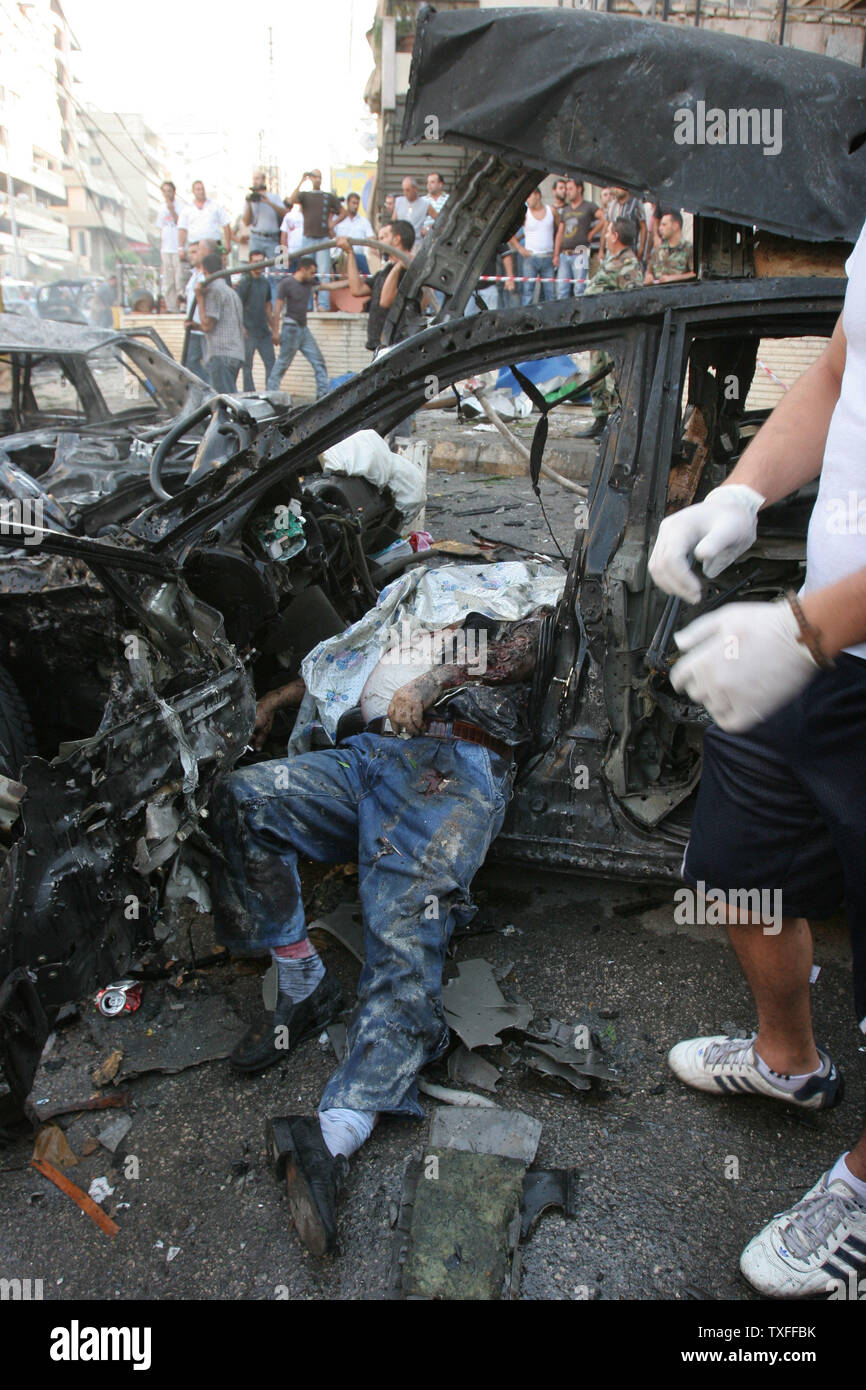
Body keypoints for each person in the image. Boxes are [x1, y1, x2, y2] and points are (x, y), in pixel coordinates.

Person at [646, 216, 866, 1300]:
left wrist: (801, 629)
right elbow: (837, 365)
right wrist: (738, 493)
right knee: (738, 861)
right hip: (824, 644)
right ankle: (788, 1059)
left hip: (821, 633)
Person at [209, 575, 555, 1254]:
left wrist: (427, 687)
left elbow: (527, 644)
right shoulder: (398, 612)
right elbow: (338, 668)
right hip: (364, 756)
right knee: (244, 797)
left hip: (451, 765)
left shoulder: (498, 614)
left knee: (402, 924)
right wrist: (275, 699)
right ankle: (305, 985)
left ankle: (336, 1134)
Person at [577, 218, 644, 439]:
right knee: (596, 376)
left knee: (615, 380)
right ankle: (600, 420)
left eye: (608, 233)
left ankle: (615, 427)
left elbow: (633, 301)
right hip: (600, 331)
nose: (605, 236)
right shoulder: (612, 260)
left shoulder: (629, 264)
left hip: (616, 334)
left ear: (615, 236)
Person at [337, 219, 421, 354]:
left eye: (383, 237)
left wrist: (399, 265)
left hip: (398, 345)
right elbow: (356, 290)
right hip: (380, 346)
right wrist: (350, 253)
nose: (378, 242)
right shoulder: (385, 272)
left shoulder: (410, 271)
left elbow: (386, 301)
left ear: (396, 239)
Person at [266, 257, 328, 398]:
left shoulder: (308, 283)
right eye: (312, 272)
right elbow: (278, 309)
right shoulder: (286, 284)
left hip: (303, 328)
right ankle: (270, 395)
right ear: (303, 269)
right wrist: (275, 331)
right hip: (291, 328)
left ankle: (323, 395)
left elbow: (327, 286)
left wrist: (350, 281)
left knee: (318, 361)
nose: (313, 276)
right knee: (282, 364)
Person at [286, 170, 341, 312]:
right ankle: (307, 305)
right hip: (308, 238)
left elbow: (343, 212)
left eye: (319, 177)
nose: (317, 179)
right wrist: (301, 180)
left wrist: (332, 224)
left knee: (323, 273)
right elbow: (291, 200)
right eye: (315, 177)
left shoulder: (327, 197)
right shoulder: (305, 195)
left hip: (323, 239)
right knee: (305, 272)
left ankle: (323, 305)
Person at [194, 251, 245, 394]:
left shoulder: (213, 291)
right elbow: (222, 323)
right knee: (228, 397)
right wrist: (195, 326)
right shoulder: (231, 292)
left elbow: (207, 325)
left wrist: (199, 298)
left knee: (222, 404)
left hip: (221, 354)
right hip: (235, 354)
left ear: (205, 271)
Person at [553, 177, 603, 300]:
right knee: (561, 289)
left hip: (580, 252)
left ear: (579, 189)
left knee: (579, 289)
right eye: (566, 189)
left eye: (570, 189)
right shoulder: (566, 210)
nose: (567, 192)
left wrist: (592, 233)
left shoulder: (588, 206)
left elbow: (604, 217)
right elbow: (560, 232)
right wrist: (556, 254)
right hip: (565, 254)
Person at [510, 188, 557, 306]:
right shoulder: (525, 214)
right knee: (527, 292)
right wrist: (520, 248)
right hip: (530, 258)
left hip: (548, 257)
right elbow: (510, 233)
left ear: (538, 195)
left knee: (550, 292)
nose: (527, 200)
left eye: (529, 196)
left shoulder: (551, 211)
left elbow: (560, 227)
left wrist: (556, 251)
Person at [236, 250, 274, 391]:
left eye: (261, 261)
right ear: (250, 263)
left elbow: (268, 307)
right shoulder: (245, 282)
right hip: (249, 331)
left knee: (271, 363)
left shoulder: (265, 282)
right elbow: (237, 305)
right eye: (256, 262)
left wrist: (275, 330)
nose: (259, 265)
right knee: (247, 366)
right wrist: (241, 327)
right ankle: (249, 394)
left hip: (263, 331)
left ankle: (271, 393)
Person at [183, 240, 215, 384]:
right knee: (190, 363)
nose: (192, 256)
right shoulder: (193, 275)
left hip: (205, 328)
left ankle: (213, 393)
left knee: (210, 365)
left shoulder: (207, 276)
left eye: (195, 252)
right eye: (190, 253)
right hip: (193, 328)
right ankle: (206, 388)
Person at [179, 183, 231, 262]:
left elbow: (226, 224)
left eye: (202, 189)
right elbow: (182, 229)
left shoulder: (215, 206)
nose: (201, 192)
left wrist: (227, 243)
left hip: (215, 244)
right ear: (193, 191)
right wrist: (181, 248)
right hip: (195, 246)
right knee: (198, 271)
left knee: (217, 269)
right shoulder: (187, 209)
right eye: (198, 189)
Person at [156, 180, 186, 311]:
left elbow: (181, 223)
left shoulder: (181, 206)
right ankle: (171, 307)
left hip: (177, 247)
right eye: (165, 191)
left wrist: (171, 209)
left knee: (180, 277)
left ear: (174, 192)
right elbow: (160, 227)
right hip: (166, 248)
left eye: (169, 191)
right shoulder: (161, 208)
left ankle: (184, 305)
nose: (167, 194)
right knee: (168, 279)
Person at [243, 167, 285, 260]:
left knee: (277, 268)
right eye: (254, 179)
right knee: (255, 269)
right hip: (256, 237)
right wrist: (249, 203)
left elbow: (284, 213)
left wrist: (268, 202)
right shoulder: (250, 199)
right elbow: (246, 222)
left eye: (257, 178)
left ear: (263, 180)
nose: (255, 181)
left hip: (272, 238)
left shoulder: (274, 197)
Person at [644, 211, 694, 285]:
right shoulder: (658, 250)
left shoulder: (689, 248)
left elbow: (694, 274)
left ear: (675, 226)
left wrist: (673, 278)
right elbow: (649, 270)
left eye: (664, 225)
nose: (660, 228)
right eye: (660, 225)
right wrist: (649, 276)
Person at [334, 191, 373, 276]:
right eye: (353, 203)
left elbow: (372, 237)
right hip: (341, 257)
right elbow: (331, 235)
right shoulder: (338, 220)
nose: (356, 206)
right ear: (347, 203)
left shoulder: (364, 221)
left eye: (357, 204)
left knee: (368, 277)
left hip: (358, 256)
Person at [394, 176, 429, 241]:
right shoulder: (399, 201)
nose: (405, 193)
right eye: (403, 190)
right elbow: (393, 222)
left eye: (408, 190)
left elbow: (439, 220)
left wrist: (428, 228)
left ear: (415, 189)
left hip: (416, 242)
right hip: (401, 242)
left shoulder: (425, 204)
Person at [422, 171, 448, 236]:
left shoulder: (449, 199)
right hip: (425, 238)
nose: (429, 185)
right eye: (428, 182)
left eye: (432, 182)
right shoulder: (422, 201)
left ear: (440, 184)